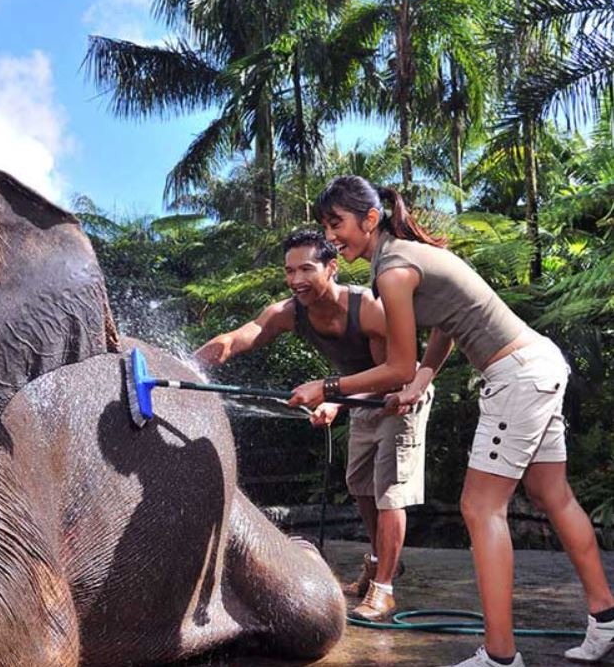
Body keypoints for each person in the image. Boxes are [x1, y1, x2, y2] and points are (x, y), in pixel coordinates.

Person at [288, 175, 614, 667]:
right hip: (538, 363)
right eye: (327, 226)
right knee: (552, 493)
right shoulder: (403, 254)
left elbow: (394, 365)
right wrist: (421, 380)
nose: (333, 236)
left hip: (516, 375)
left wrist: (328, 387)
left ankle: (501, 657)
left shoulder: (394, 269)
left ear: (370, 218)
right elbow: (443, 322)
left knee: (481, 508)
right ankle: (607, 618)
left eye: (337, 224)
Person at [194, 228, 433, 622]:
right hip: (355, 398)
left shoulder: (369, 308)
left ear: (332, 267)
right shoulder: (288, 312)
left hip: (402, 397)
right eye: (289, 271)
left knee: (390, 491)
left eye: (306, 269)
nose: (296, 280)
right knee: (360, 486)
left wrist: (333, 398)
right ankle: (378, 560)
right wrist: (210, 353)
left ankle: (384, 590)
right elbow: (247, 334)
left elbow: (398, 370)